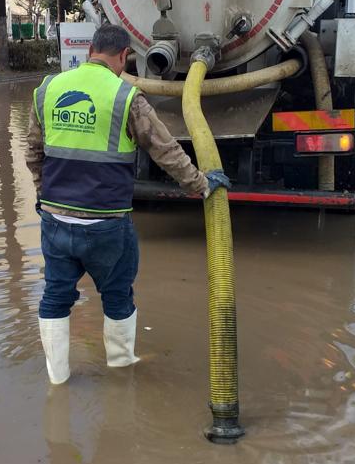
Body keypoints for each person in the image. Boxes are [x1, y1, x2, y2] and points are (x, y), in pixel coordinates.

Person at [25, 23, 231, 385]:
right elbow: (165, 151)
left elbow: (33, 153)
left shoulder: (47, 90)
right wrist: (202, 184)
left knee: (55, 297)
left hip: (55, 222)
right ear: (123, 56)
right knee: (117, 297)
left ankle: (57, 380)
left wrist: (45, 197)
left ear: (90, 51)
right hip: (107, 225)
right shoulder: (126, 96)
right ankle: (121, 374)